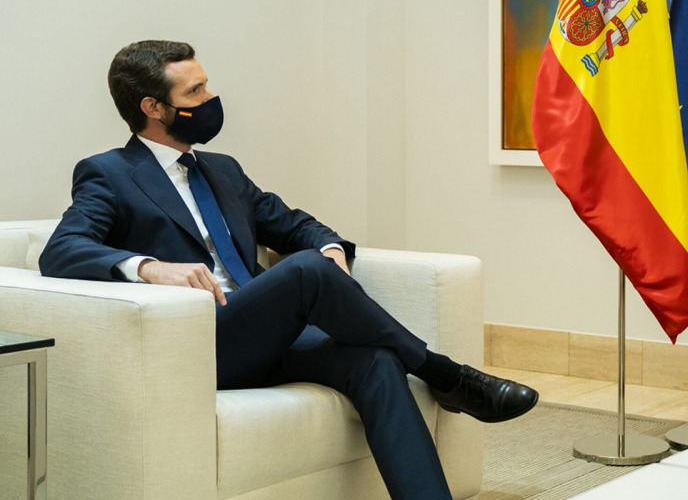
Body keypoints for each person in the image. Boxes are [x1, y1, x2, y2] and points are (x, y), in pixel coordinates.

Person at [40, 40, 538, 499]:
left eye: (207, 85)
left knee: (376, 360)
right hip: (200, 342)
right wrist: (150, 268)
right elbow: (62, 249)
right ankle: (445, 374)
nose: (211, 99)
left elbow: (296, 225)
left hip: (266, 336)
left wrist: (330, 249)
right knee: (304, 272)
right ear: (153, 107)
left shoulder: (223, 170)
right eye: (195, 92)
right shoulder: (110, 173)